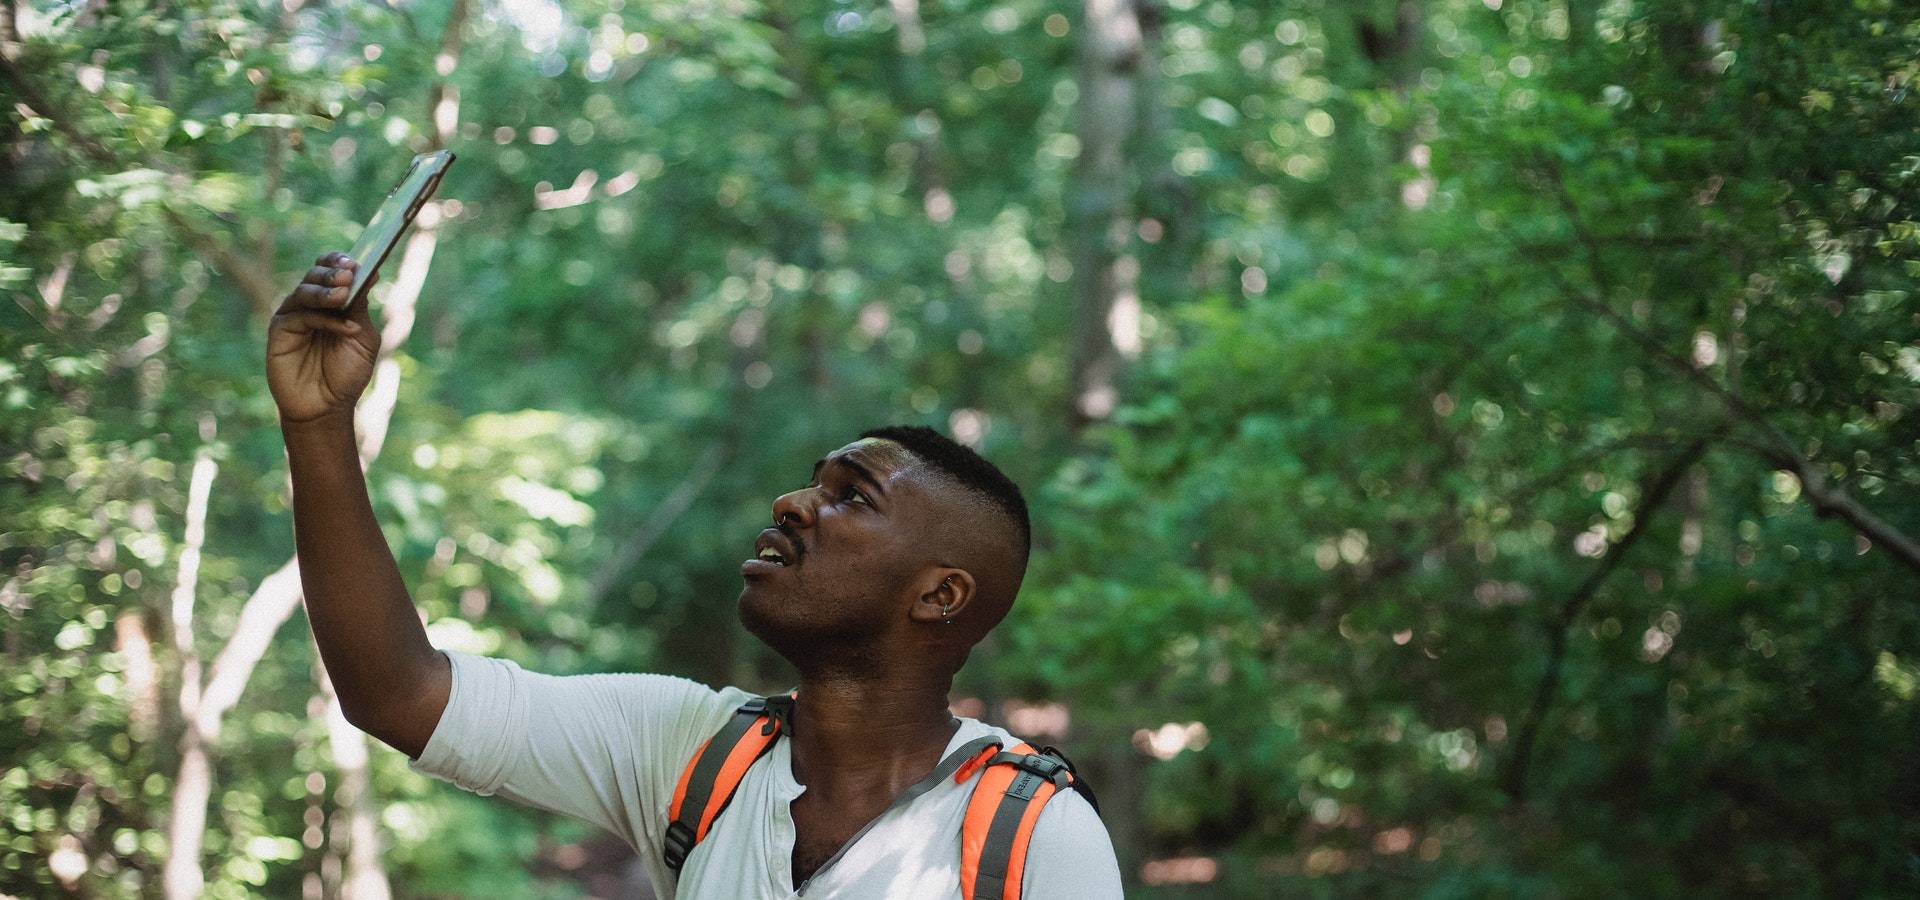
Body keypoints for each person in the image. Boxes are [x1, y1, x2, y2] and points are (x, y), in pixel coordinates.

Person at [266, 253, 1124, 898]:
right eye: (813, 482)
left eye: (852, 497)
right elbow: (398, 694)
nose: (793, 503)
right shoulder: (692, 750)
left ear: (940, 595)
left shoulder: (1032, 836)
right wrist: (318, 425)